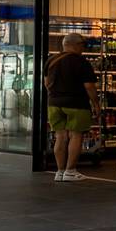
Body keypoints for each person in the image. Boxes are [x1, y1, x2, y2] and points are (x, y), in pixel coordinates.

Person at [45, 33, 101, 181]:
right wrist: (96, 104)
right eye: (83, 45)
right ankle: (70, 171)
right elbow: (89, 87)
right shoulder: (81, 62)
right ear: (76, 45)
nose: (83, 48)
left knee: (60, 136)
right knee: (76, 135)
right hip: (77, 103)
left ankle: (60, 172)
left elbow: (46, 83)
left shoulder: (51, 60)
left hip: (54, 103)